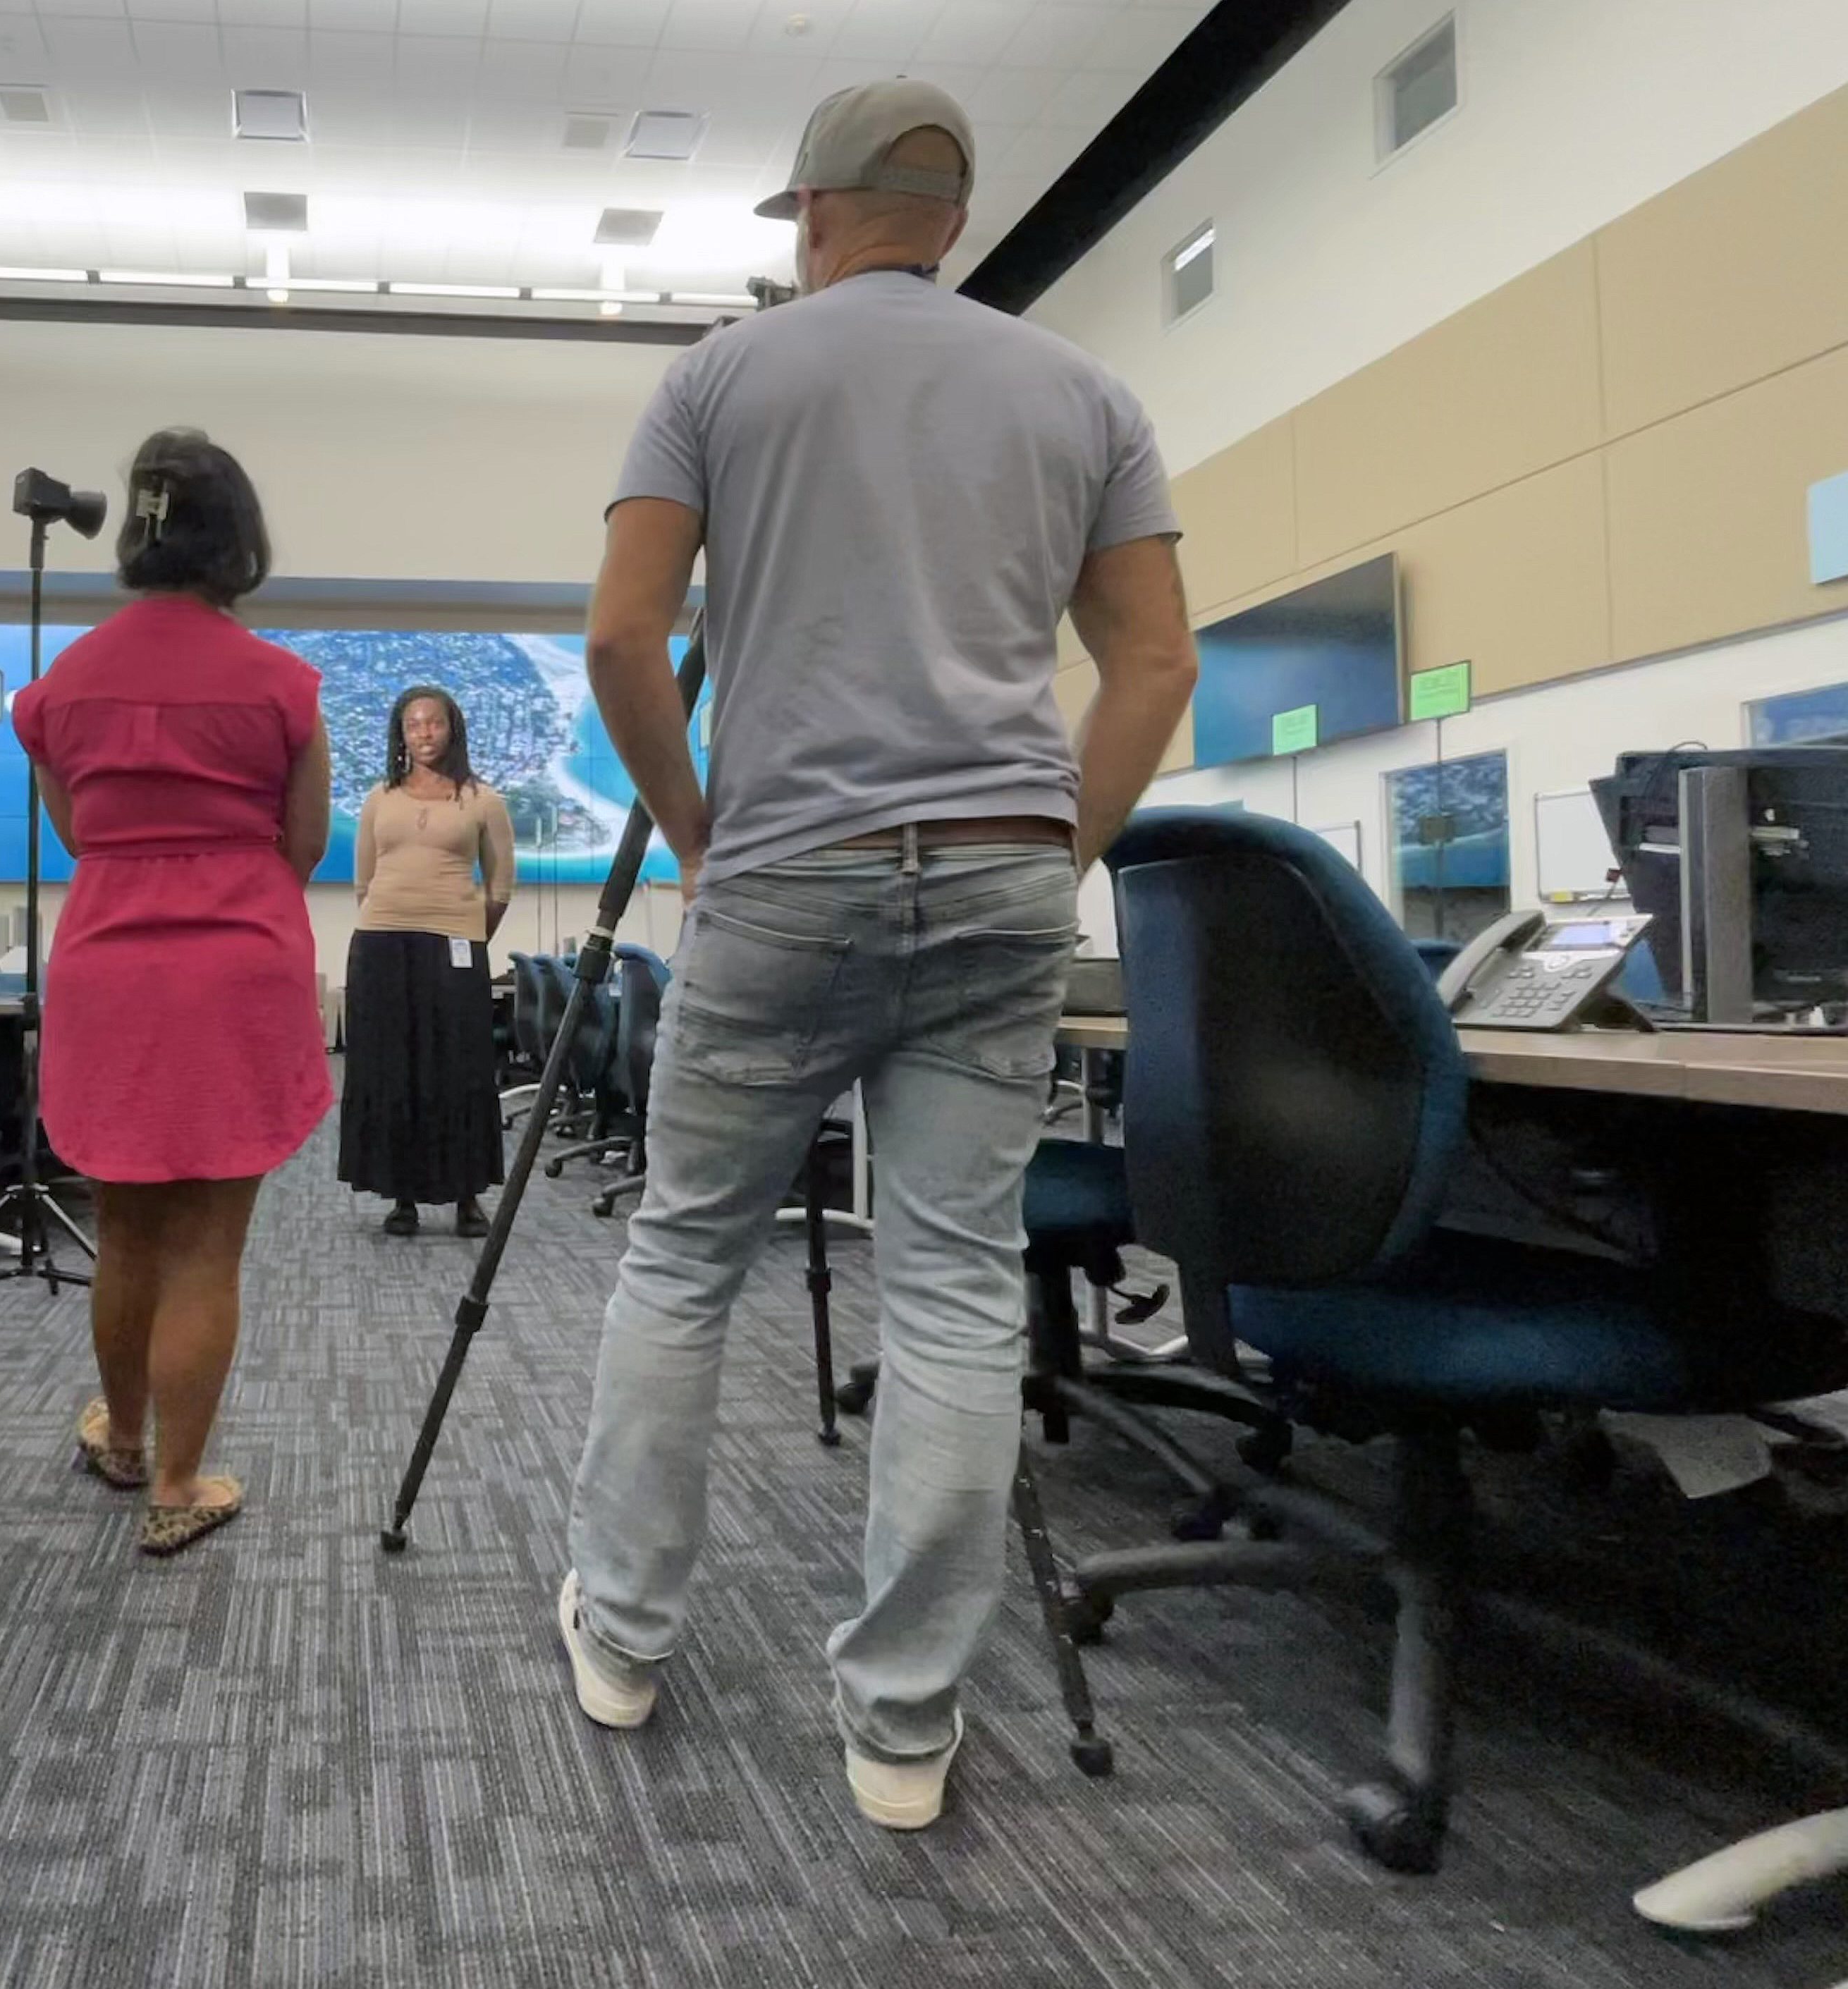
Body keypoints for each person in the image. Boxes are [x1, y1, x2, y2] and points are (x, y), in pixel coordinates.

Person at [553, 81, 1201, 1825]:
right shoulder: (1084, 393)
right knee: (954, 1288)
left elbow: (621, 633)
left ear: (813, 217)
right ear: (954, 222)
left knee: (685, 1259)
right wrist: (1050, 844)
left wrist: (698, 832)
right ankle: (905, 1729)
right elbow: (1154, 666)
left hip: (783, 870)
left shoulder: (717, 375)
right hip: (997, 882)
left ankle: (620, 1637)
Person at [11, 427, 334, 1557]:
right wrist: (230, 884)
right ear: (236, 539)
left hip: (108, 966)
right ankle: (182, 1484)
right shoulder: (282, 686)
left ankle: (128, 1436)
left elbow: (74, 834)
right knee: (209, 1245)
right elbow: (303, 843)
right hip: (239, 965)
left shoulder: (60, 690)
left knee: (125, 1229)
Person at [339, 686, 516, 1239]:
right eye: (412, 724)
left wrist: (465, 935)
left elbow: (500, 885)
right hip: (381, 944)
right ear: (401, 734)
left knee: (459, 1070)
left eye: (433, 723)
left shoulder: (483, 799)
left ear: (452, 728)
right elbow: (363, 881)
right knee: (392, 1070)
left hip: (455, 945)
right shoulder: (378, 798)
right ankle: (403, 1197)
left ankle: (466, 1197)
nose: (423, 733)